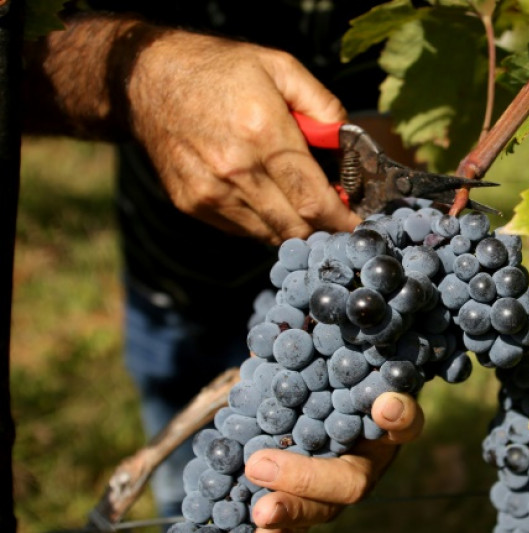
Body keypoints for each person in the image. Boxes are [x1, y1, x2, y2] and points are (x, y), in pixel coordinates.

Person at [22, 1, 424, 530]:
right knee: (195, 488)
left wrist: (388, 337)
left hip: (317, 319)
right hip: (166, 287)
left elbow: (395, 152)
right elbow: (18, 44)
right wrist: (138, 73)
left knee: (258, 499)